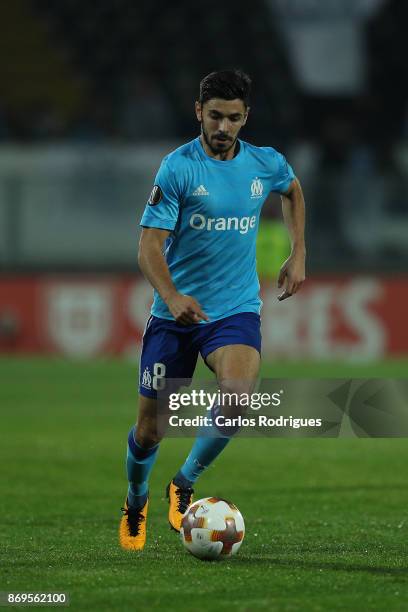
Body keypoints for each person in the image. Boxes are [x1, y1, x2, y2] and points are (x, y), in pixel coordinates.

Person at [119, 69, 306, 550]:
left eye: (235, 118)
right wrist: (174, 295)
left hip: (235, 310)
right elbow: (148, 247)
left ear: (247, 118)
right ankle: (136, 499)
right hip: (174, 317)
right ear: (199, 112)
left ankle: (182, 483)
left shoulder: (264, 163)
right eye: (216, 116)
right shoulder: (177, 168)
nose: (224, 127)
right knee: (149, 429)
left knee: (239, 396)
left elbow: (292, 189)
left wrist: (298, 251)